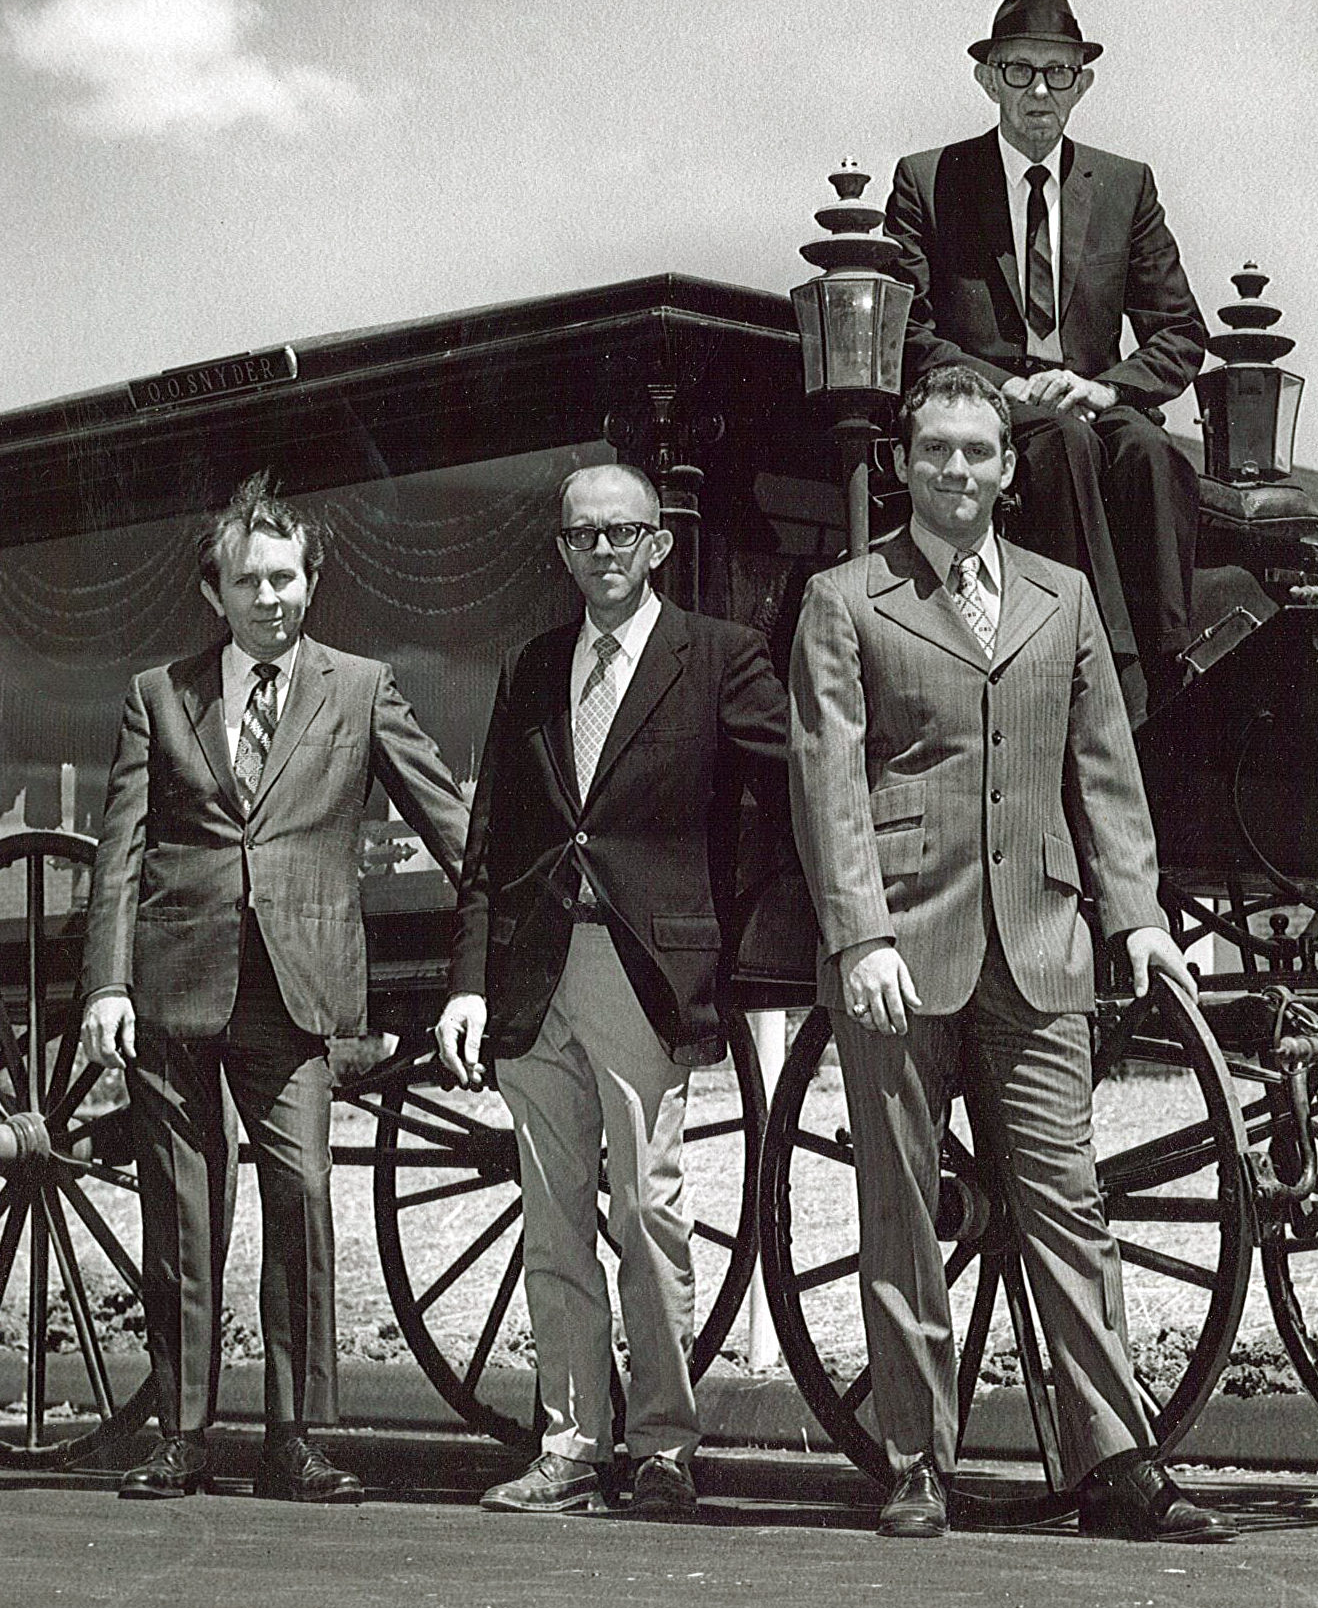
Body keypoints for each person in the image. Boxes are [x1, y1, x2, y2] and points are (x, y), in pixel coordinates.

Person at [788, 363, 1229, 1543]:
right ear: (902, 463)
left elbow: (1105, 774)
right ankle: (916, 1463)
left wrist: (1134, 915)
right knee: (900, 1210)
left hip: (1041, 944)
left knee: (1068, 1203)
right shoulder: (845, 599)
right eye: (936, 451)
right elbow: (829, 784)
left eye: (978, 453)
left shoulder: (1064, 596)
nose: (957, 471)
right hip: (898, 955)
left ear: (1006, 468)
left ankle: (1116, 1462)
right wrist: (860, 932)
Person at [81, 473, 469, 1502]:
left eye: (285, 578)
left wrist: (509, 918)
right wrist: (105, 986)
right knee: (184, 1213)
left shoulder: (361, 687)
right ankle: (184, 1433)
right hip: (175, 985)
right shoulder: (158, 697)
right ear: (215, 592)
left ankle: (295, 1439)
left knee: (300, 1194)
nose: (269, 598)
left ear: (312, 581)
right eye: (248, 581)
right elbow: (119, 855)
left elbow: (447, 820)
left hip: (296, 994)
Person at [436, 463, 788, 1518]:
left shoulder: (720, 658)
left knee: (646, 1210)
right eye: (584, 538)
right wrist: (465, 986)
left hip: (645, 973)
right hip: (534, 979)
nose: (603, 553)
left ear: (659, 545)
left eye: (622, 535)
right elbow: (493, 844)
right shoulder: (533, 669)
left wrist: (738, 925)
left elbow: (797, 787)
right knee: (552, 1224)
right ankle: (574, 1446)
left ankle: (665, 1447)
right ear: (561, 553)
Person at [884, 0, 1208, 721]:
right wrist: (1006, 390)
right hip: (984, 405)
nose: (1038, 89)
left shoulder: (1127, 186)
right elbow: (908, 333)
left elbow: (1181, 332)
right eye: (1020, 69)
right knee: (1062, 441)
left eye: (1058, 73)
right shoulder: (928, 180)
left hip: (1092, 402)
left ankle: (1170, 663)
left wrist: (1109, 389)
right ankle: (1110, 666)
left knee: (1155, 455)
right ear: (987, 78)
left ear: (1082, 83)